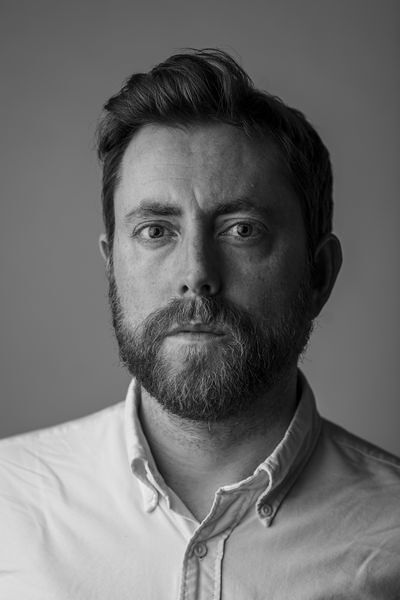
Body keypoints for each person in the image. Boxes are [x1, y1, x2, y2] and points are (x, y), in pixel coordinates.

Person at [0, 49, 399, 600]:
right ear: (112, 266)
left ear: (319, 274)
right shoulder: (9, 503)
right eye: (156, 231)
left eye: (242, 230)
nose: (196, 275)